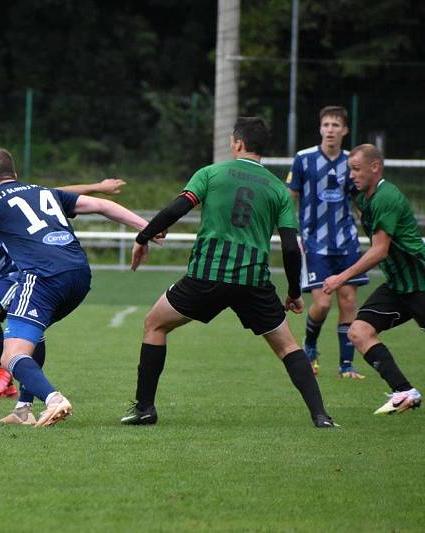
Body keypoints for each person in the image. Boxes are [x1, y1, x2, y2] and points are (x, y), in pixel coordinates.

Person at [0, 147, 151, 427]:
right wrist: (147, 228)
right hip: (79, 274)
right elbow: (103, 206)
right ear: (13, 173)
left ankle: (53, 399)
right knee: (32, 336)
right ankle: (23, 410)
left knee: (10, 355)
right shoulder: (43, 191)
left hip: (42, 278)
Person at [122, 117, 337, 429]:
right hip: (253, 282)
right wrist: (293, 292)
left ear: (237, 143)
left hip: (206, 276)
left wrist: (143, 239)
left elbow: (175, 210)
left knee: (154, 324)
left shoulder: (211, 173)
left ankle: (144, 408)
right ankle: (320, 416)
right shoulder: (277, 189)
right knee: (288, 345)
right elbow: (292, 248)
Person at [323, 144, 424, 415]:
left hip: (421, 283)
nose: (352, 175)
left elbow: (380, 250)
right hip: (398, 285)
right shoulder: (365, 198)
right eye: (350, 170)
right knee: (359, 332)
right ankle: (404, 391)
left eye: (356, 169)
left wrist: (340, 278)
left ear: (375, 167)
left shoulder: (385, 198)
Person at [287, 106, 367, 379]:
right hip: (313, 243)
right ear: (320, 128)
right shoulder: (304, 159)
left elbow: (360, 202)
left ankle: (346, 366)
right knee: (322, 304)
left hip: (346, 243)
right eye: (326, 125)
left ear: (345, 130)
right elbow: (290, 197)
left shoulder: (351, 161)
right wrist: (289, 232)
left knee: (348, 301)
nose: (330, 130)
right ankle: (310, 345)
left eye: (335, 125)